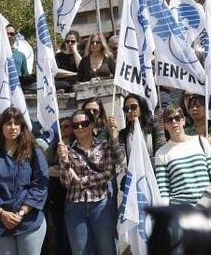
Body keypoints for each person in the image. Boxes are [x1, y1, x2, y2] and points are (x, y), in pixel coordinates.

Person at [0, 107, 48, 255]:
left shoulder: (34, 152)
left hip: (29, 222)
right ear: (1, 127)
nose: (12, 127)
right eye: (8, 123)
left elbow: (41, 184)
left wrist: (22, 212)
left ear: (22, 127)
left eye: (17, 123)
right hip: (0, 224)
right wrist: (2, 214)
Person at [56, 109, 124, 255]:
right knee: (80, 251)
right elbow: (66, 182)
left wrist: (83, 181)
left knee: (107, 249)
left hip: (100, 204)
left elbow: (109, 173)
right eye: (76, 125)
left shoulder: (104, 146)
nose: (80, 127)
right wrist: (64, 162)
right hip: (75, 206)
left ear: (92, 125)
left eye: (84, 123)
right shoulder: (67, 151)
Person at [154, 105, 211, 205]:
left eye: (177, 118)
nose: (174, 122)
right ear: (164, 125)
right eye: (169, 120)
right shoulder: (161, 153)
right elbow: (163, 190)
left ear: (183, 121)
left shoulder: (202, 142)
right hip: (180, 211)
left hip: (207, 208)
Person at [42, 118, 72, 255]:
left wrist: (61, 170)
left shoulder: (76, 144)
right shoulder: (53, 147)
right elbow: (45, 168)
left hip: (72, 196)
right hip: (55, 197)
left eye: (67, 126)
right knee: (57, 233)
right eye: (61, 126)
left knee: (70, 234)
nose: (64, 129)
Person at [118, 93, 164, 160]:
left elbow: (161, 152)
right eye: (126, 109)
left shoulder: (154, 127)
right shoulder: (123, 133)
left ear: (142, 108)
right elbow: (120, 159)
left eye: (133, 107)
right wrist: (114, 136)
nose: (130, 111)